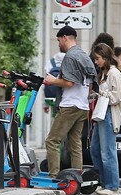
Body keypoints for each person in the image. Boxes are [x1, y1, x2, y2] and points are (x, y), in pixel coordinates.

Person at [44, 25, 98, 178]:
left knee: (52, 140)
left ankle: (53, 176)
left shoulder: (70, 56)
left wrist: (52, 80)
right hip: (82, 106)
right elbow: (92, 83)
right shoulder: (85, 56)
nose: (59, 44)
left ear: (65, 38)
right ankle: (77, 178)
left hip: (70, 105)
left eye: (59, 40)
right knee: (75, 145)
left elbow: (69, 83)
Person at [90, 43, 121, 195]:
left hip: (109, 114)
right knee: (95, 149)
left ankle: (112, 185)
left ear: (105, 57)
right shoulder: (105, 73)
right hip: (102, 113)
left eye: (98, 58)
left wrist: (101, 94)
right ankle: (105, 182)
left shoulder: (114, 73)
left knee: (108, 151)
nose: (96, 61)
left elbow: (117, 97)